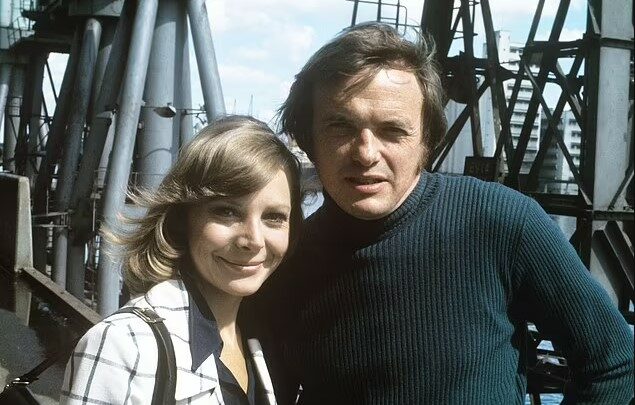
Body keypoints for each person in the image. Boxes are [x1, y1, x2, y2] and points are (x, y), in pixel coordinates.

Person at [252, 23, 634, 404]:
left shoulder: (500, 221)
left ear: (427, 143)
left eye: (392, 131)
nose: (365, 154)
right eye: (340, 127)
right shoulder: (280, 260)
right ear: (308, 139)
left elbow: (615, 364)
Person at [60, 115, 302, 404]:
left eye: (273, 217)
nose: (254, 240)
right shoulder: (124, 345)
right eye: (226, 211)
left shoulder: (263, 341)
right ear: (181, 220)